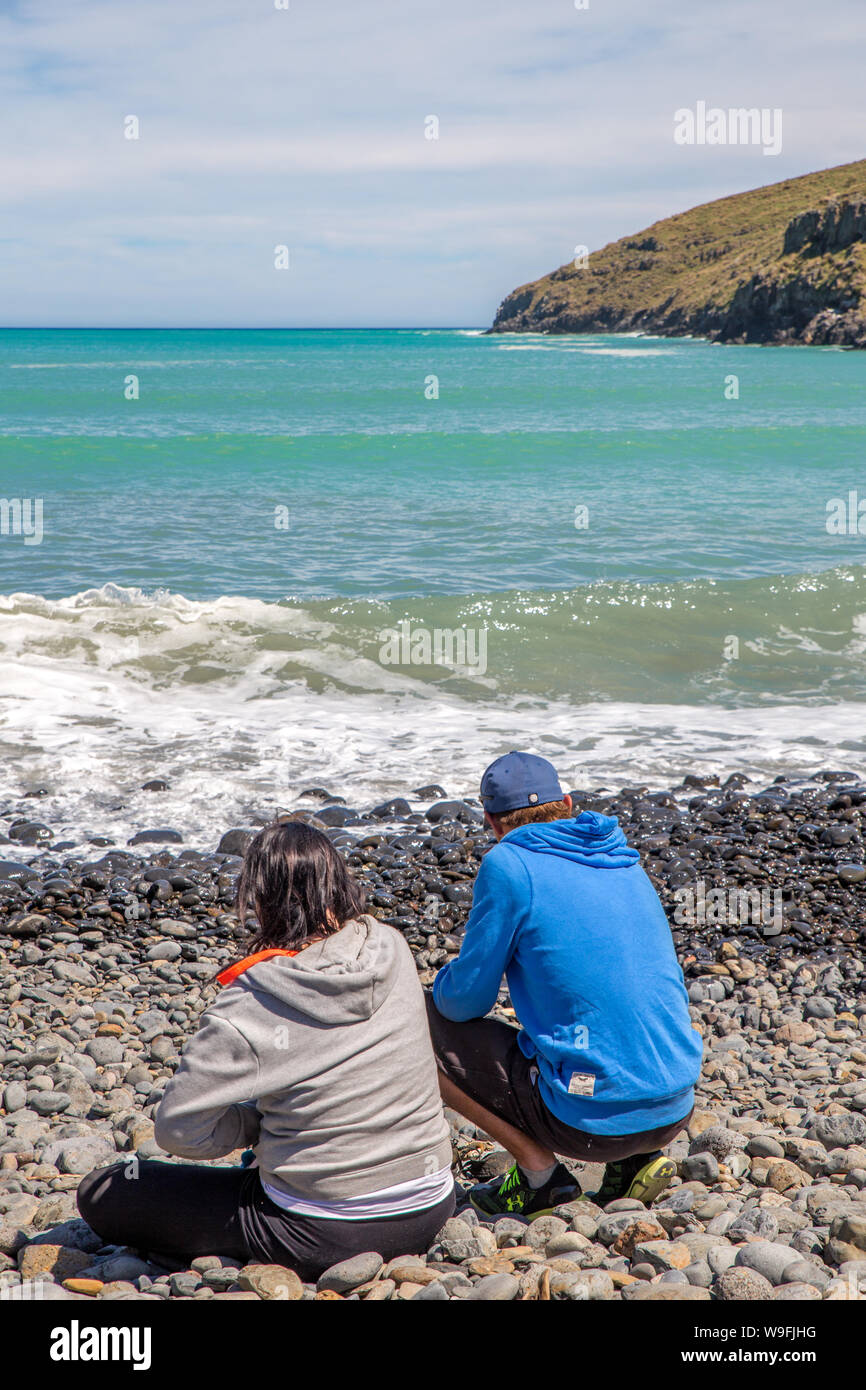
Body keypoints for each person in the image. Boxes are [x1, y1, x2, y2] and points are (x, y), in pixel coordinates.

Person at [77, 822, 454, 1280]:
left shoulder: (251, 1001)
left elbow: (178, 1131)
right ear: (338, 881)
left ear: (259, 899)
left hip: (326, 1230)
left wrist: (252, 1126)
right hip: (432, 1204)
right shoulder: (391, 946)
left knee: (105, 1190)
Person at [425, 751, 703, 1219]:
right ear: (568, 803)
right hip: (674, 1107)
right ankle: (634, 1162)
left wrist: (441, 983)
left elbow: (464, 1003)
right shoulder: (622, 857)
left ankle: (539, 1175)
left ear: (492, 821)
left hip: (586, 1124)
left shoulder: (509, 865)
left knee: (415, 1021)